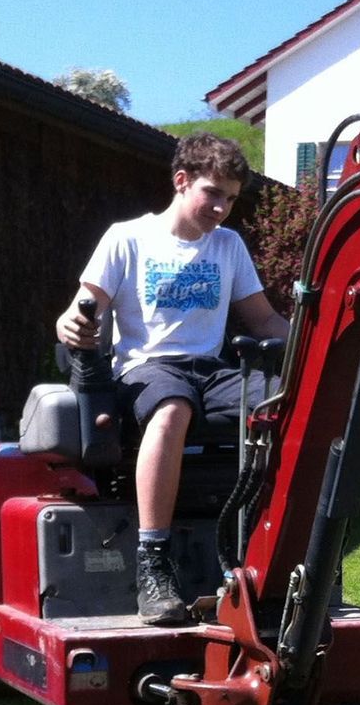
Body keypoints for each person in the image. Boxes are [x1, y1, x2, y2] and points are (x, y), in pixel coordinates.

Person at [55, 132, 288, 625]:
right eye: (213, 192)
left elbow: (265, 321)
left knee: (289, 404)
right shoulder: (128, 238)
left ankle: (270, 550)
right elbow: (75, 314)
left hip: (212, 370)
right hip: (146, 368)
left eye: (230, 198)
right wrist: (71, 324)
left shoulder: (228, 246)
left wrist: (321, 344)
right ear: (182, 182)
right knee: (172, 409)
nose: (222, 207)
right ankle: (153, 564)